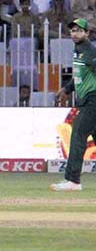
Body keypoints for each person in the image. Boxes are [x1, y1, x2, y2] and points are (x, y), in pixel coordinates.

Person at [51, 18, 96, 191]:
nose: (74, 33)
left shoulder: (89, 50)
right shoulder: (79, 50)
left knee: (77, 135)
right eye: (72, 31)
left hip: (93, 100)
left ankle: (73, 180)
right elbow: (79, 75)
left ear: (87, 33)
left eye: (78, 30)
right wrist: (66, 89)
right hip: (88, 99)